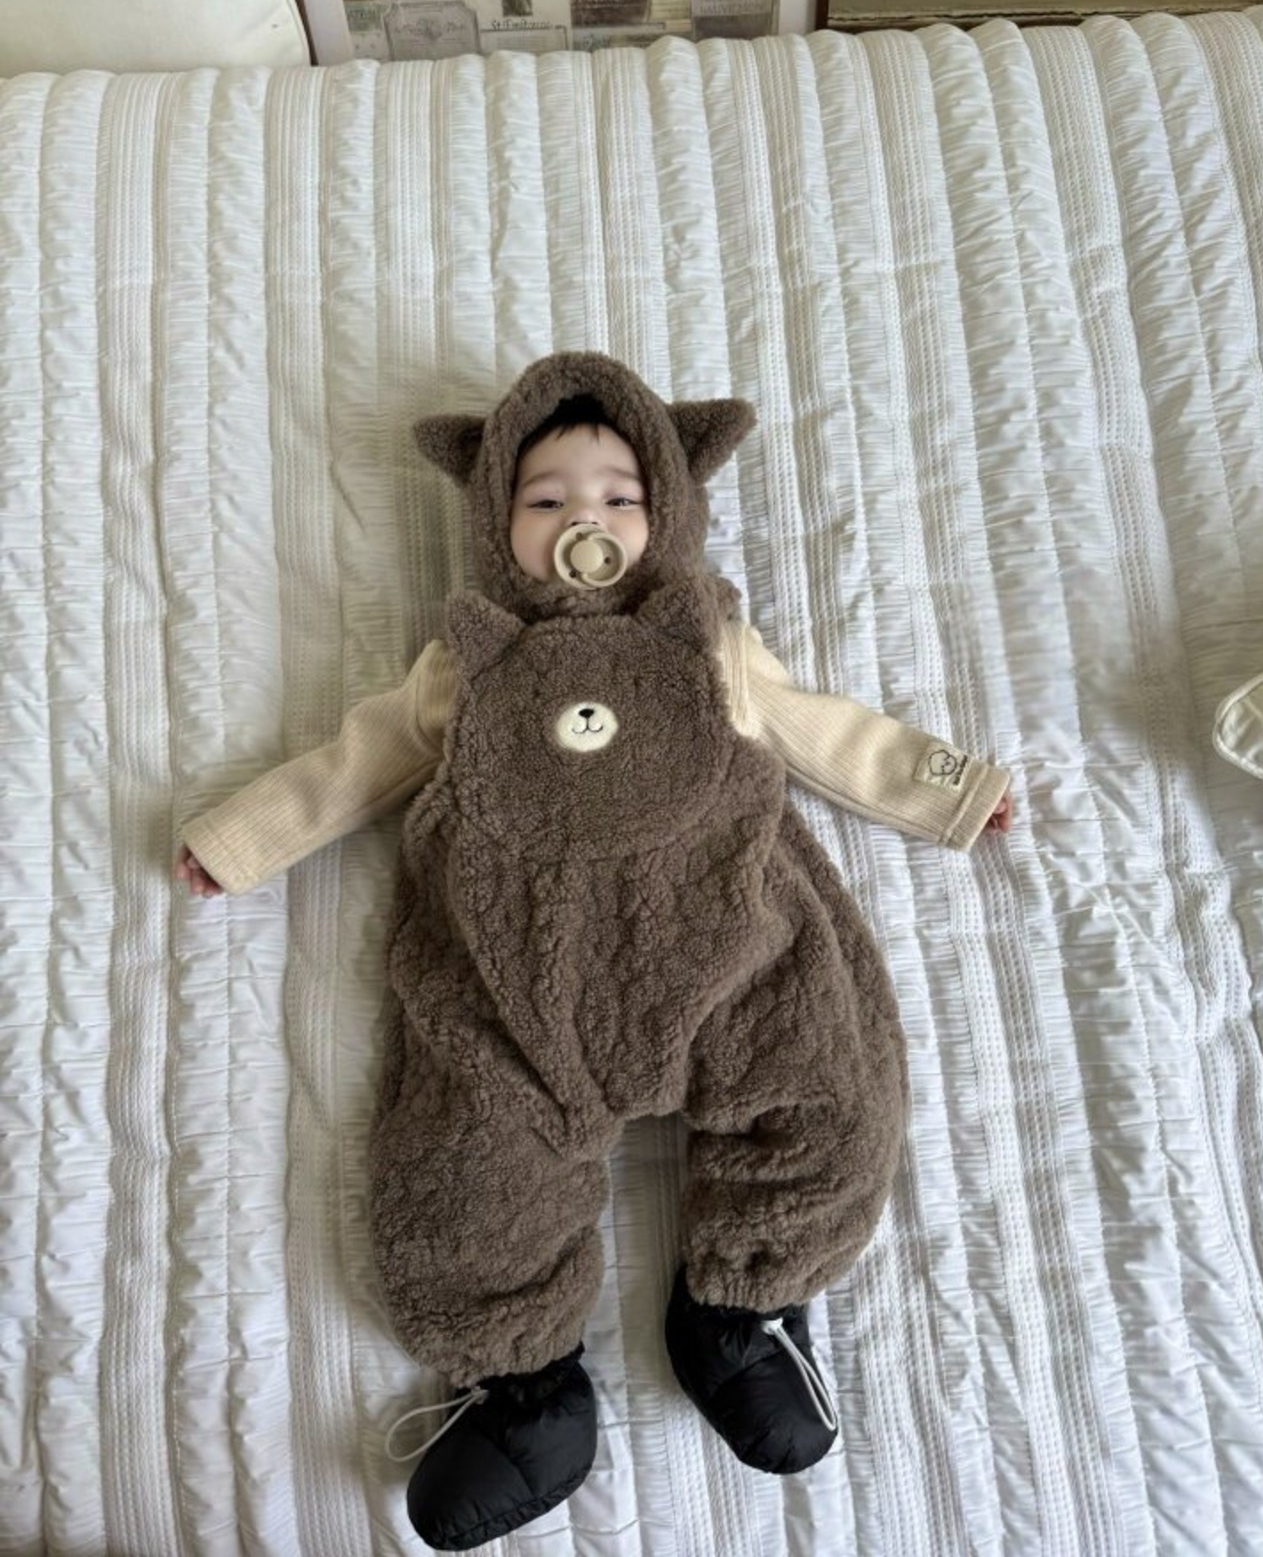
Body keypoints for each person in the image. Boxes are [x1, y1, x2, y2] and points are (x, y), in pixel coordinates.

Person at [176, 352, 1013, 1552]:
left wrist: (949, 788)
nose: (587, 520)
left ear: (669, 510)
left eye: (621, 496)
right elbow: (359, 761)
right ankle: (523, 1390)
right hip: (517, 986)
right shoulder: (468, 662)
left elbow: (822, 731)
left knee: (828, 1087)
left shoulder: (708, 641)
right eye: (545, 498)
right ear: (491, 522)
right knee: (459, 1165)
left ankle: (743, 1309)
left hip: (725, 944)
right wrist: (245, 838)